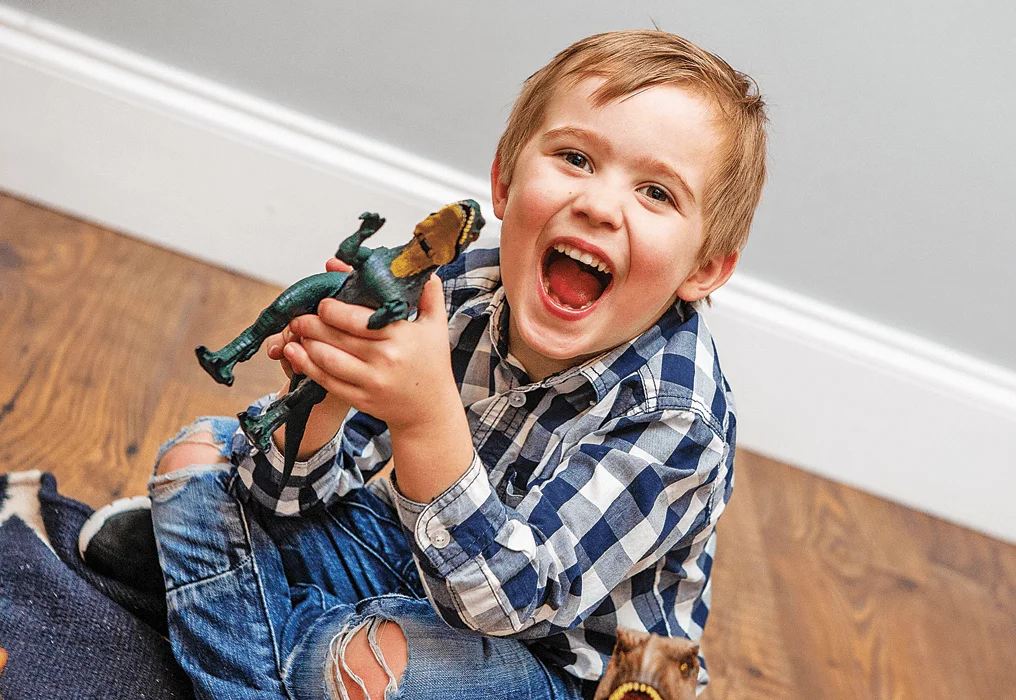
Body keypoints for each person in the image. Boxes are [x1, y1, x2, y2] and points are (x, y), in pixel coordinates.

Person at [81, 29, 767, 699]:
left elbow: (509, 602)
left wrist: (425, 414)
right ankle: (250, 610)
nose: (597, 204)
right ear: (503, 182)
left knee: (365, 665)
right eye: (576, 159)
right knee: (197, 456)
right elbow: (294, 492)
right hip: (420, 556)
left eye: (656, 193)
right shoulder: (462, 287)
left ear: (704, 268)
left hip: (570, 664)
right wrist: (323, 400)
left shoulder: (677, 416)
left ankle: (217, 590)